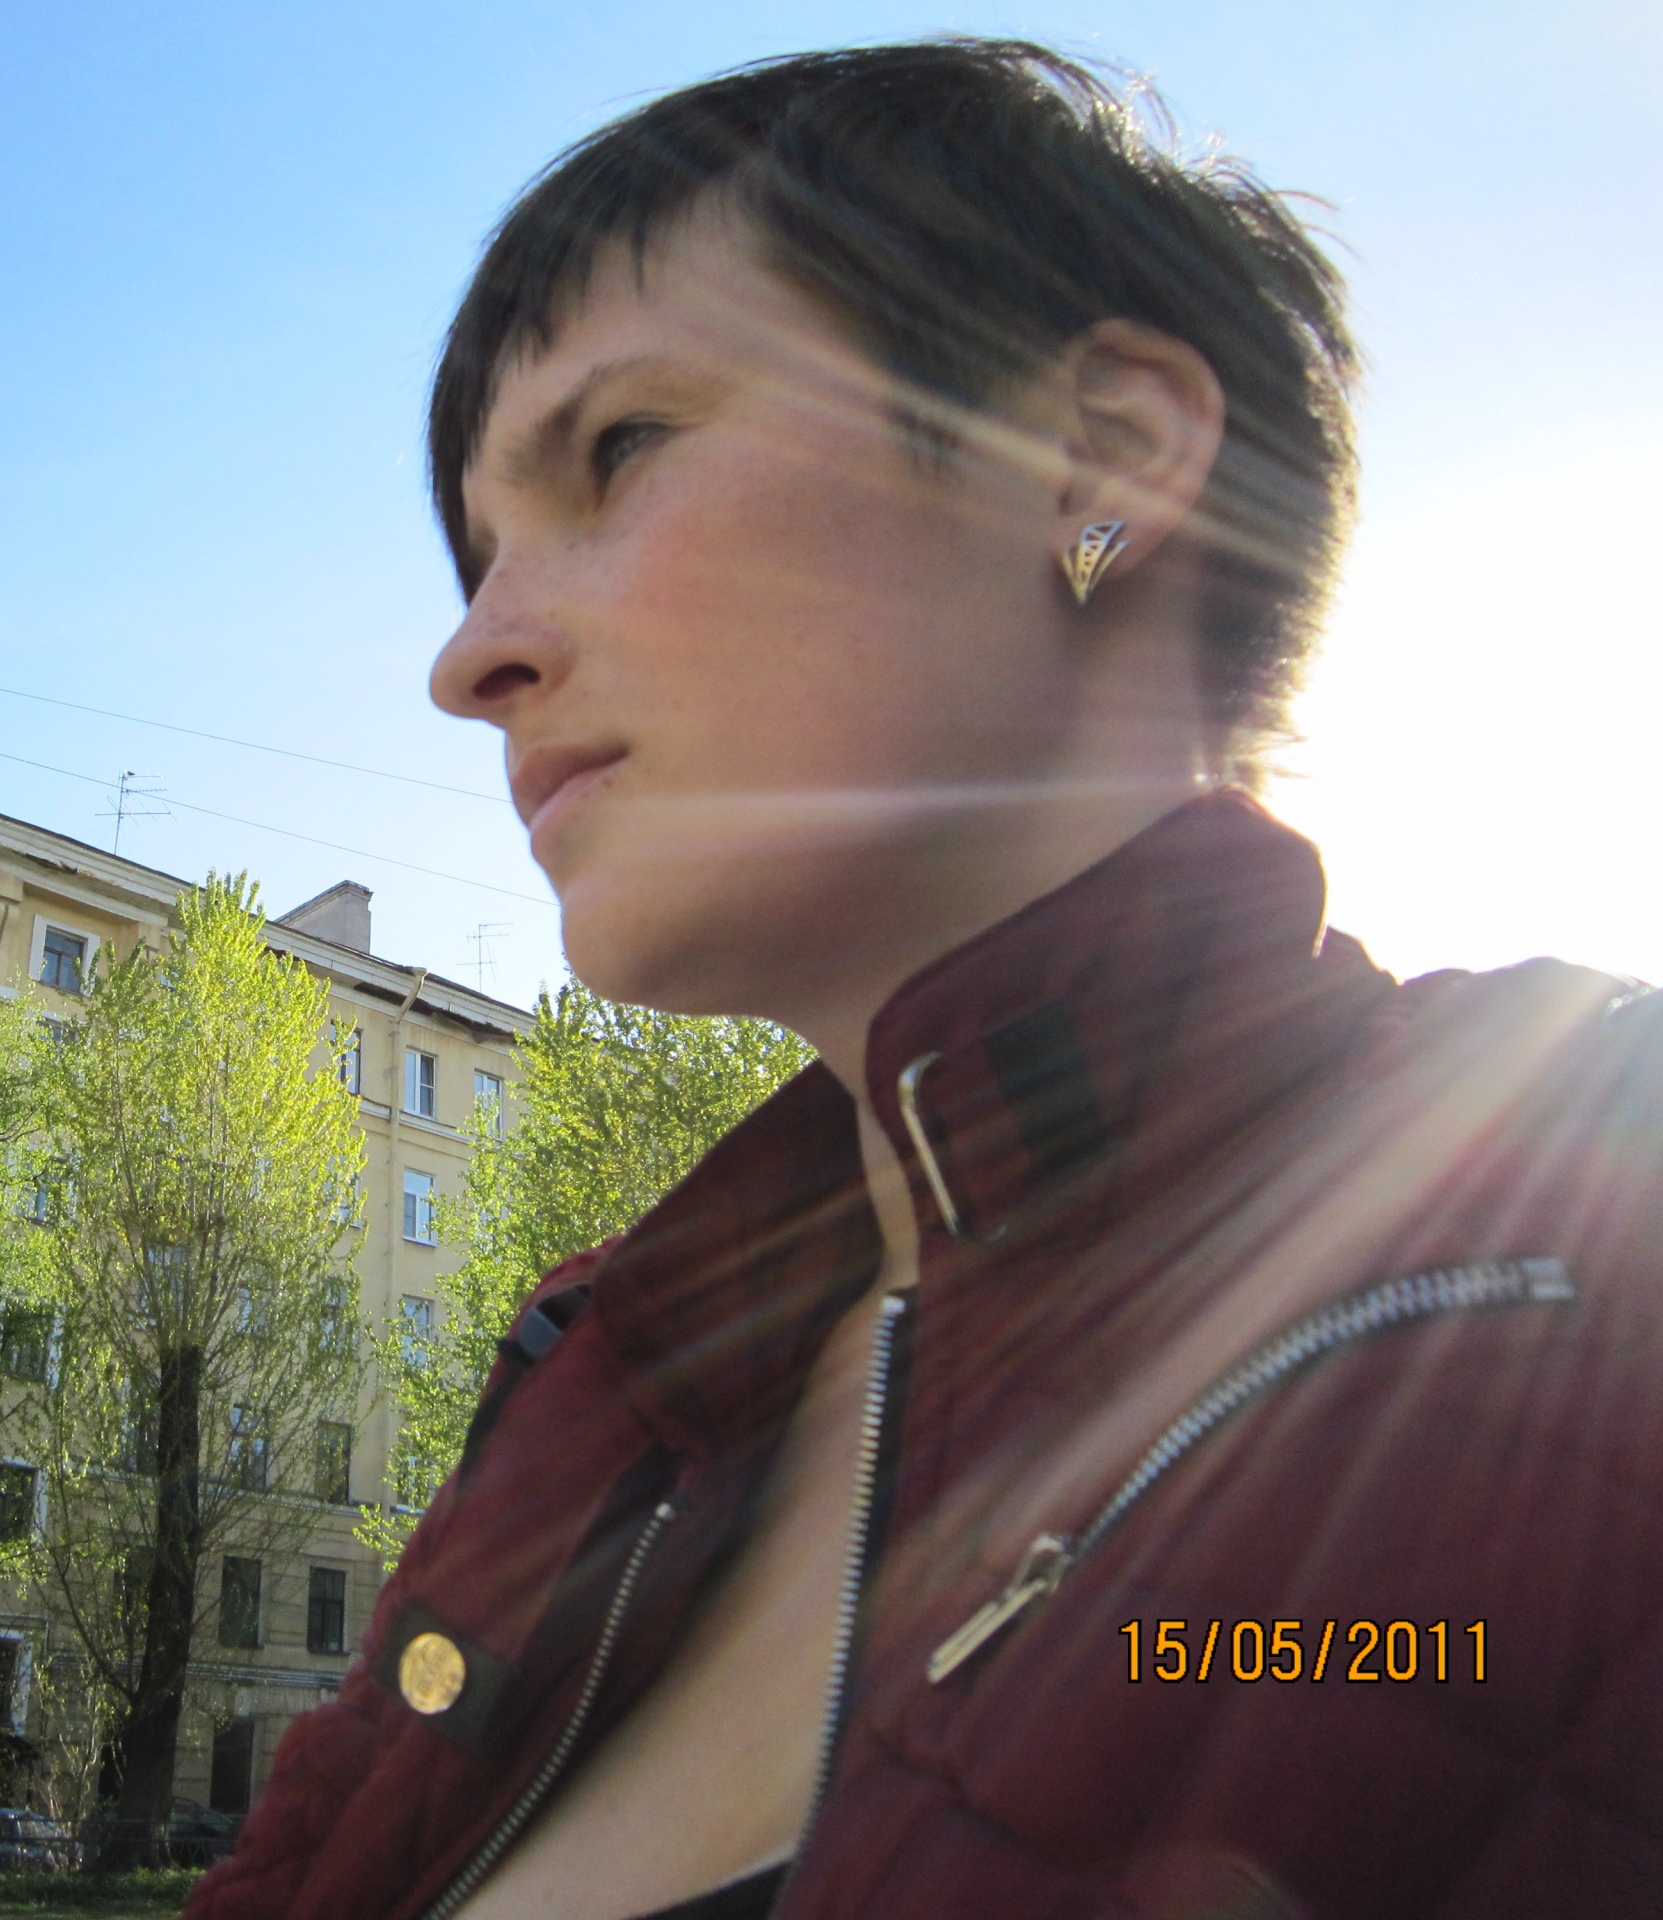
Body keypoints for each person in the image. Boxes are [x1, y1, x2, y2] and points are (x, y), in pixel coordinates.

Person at [187, 40, 1663, 1920]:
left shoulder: (1591, 1240)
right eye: (479, 556)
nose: (468, 657)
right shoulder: (593, 1387)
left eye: (618, 448)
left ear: (1103, 458)